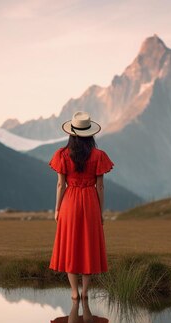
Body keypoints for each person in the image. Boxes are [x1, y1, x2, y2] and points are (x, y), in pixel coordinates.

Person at [49, 111, 114, 300]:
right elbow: (100, 186)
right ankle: (85, 292)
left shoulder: (61, 155)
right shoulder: (99, 156)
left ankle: (74, 293)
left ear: (71, 133)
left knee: (71, 245)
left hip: (69, 201)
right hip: (90, 201)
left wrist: (57, 209)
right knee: (87, 246)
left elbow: (61, 184)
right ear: (90, 134)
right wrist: (101, 212)